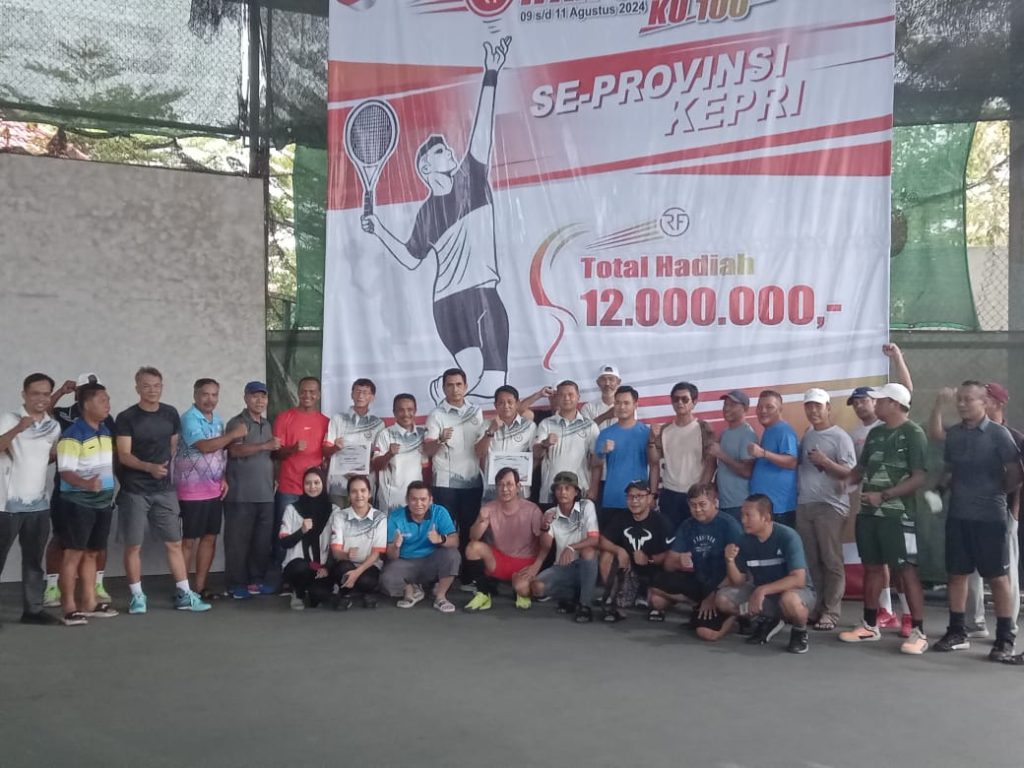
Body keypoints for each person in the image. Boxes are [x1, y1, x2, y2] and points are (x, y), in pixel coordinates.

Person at [361, 37, 513, 402]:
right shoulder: (426, 213)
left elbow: (482, 131)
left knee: (489, 388)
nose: (452, 153)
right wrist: (379, 229)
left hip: (483, 294)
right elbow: (411, 258)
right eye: (442, 151)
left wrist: (491, 74)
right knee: (481, 388)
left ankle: (438, 395)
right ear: (426, 168)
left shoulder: (471, 179)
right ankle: (443, 401)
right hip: (449, 306)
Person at [930, 381, 1022, 661]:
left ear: (984, 403)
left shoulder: (999, 434)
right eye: (959, 399)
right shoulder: (955, 435)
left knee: (997, 578)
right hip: (958, 516)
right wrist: (939, 490)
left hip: (990, 518)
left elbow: (1016, 472)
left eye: (968, 399)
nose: (961, 404)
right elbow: (950, 468)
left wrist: (996, 493)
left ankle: (1005, 639)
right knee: (957, 574)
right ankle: (957, 632)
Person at [838, 383, 929, 654]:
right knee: (872, 568)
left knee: (906, 570)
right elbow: (861, 468)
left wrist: (885, 495)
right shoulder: (875, 433)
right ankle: (869, 625)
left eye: (880, 401)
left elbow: (919, 477)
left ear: (895, 404)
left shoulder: (914, 433)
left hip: (898, 516)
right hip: (868, 514)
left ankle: (919, 632)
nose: (875, 405)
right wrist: (848, 479)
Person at [115, 367, 210, 613]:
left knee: (174, 543)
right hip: (135, 491)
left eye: (156, 385)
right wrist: (149, 467)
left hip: (165, 490)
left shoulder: (170, 413)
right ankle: (137, 596)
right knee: (133, 546)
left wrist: (163, 471)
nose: (152, 390)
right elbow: (123, 455)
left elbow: (172, 447)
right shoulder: (126, 417)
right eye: (146, 386)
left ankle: (185, 594)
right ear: (137, 388)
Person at [846, 343, 915, 635]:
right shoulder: (858, 433)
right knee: (875, 563)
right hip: (868, 504)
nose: (861, 405)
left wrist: (897, 357)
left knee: (901, 565)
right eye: (856, 402)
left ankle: (910, 616)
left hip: (896, 507)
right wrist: (846, 482)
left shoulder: (900, 426)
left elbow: (906, 391)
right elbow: (857, 471)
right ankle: (883, 613)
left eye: (866, 400)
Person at [44, 373, 114, 608]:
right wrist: (86, 484)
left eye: (107, 399)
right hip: (77, 503)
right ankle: (69, 607)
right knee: (72, 552)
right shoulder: (71, 435)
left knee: (92, 552)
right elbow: (65, 472)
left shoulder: (105, 430)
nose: (108, 404)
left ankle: (90, 603)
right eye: (102, 400)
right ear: (85, 402)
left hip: (102, 502)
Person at [174, 378, 247, 601]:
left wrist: (223, 477)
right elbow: (206, 447)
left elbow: (220, 453)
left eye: (214, 395)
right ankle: (183, 590)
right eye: (205, 394)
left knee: (209, 538)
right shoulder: (189, 418)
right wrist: (233, 434)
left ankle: (200, 587)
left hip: (214, 490)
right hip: (191, 491)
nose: (210, 399)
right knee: (189, 541)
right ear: (195, 395)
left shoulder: (217, 420)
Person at [0, 373, 63, 625]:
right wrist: (19, 428)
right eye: (35, 393)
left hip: (39, 505)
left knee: (34, 560)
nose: (41, 398)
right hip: (6, 505)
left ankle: (33, 610)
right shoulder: (8, 419)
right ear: (24, 395)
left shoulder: (53, 426)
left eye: (46, 394)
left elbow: (46, 457)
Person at [717, 494, 815, 654]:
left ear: (766, 517)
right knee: (723, 599)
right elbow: (738, 581)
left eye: (749, 515)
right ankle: (768, 620)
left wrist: (762, 590)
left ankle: (799, 631)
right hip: (765, 596)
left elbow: (799, 579)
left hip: (796, 593)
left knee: (789, 600)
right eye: (742, 515)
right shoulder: (743, 540)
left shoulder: (788, 536)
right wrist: (729, 560)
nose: (743, 520)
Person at [795, 388, 857, 631]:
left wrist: (826, 462)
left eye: (818, 406)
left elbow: (852, 473)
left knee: (831, 560)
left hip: (831, 506)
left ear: (828, 408)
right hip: (805, 504)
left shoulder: (840, 437)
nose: (813, 411)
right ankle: (818, 607)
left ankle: (831, 612)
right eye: (809, 406)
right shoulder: (808, 434)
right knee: (812, 561)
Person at [648, 483, 743, 639]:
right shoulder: (687, 525)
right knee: (655, 593)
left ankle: (733, 616)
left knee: (706, 633)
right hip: (699, 582)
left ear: (714, 502)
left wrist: (712, 596)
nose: (697, 509)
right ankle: (698, 605)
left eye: (702, 504)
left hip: (722, 586)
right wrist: (679, 561)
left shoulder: (730, 526)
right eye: (693, 505)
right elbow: (668, 565)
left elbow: (739, 573)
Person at [424, 368, 485, 576]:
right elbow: (428, 450)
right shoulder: (436, 415)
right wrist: (440, 439)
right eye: (450, 385)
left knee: (469, 530)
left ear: (466, 386)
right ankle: (444, 575)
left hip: (472, 481)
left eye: (459, 384)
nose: (455, 389)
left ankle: (467, 576)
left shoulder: (476, 411)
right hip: (445, 484)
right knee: (445, 531)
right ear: (443, 388)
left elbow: (482, 447)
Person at [463, 467, 549, 612]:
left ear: (518, 487)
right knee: (472, 548)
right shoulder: (489, 507)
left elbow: (544, 543)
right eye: (500, 485)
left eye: (509, 484)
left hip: (525, 561)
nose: (504, 489)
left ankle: (520, 591)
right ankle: (483, 593)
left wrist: (537, 565)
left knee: (521, 588)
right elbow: (473, 537)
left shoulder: (532, 509)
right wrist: (481, 521)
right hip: (500, 559)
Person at [223, 381, 279, 599]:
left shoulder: (267, 424)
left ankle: (256, 580)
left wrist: (275, 477)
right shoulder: (237, 423)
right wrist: (265, 445)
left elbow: (271, 457)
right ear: (246, 398)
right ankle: (235, 584)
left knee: (261, 543)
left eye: (263, 397)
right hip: (240, 495)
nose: (259, 401)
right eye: (255, 396)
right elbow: (234, 451)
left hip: (265, 495)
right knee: (237, 543)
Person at [272, 376, 330, 569]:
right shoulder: (284, 418)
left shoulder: (326, 422)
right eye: (304, 391)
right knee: (285, 534)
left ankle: (312, 573)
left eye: (312, 392)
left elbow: (328, 453)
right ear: (298, 392)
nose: (307, 395)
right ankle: (282, 574)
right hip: (289, 487)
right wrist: (293, 449)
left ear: (319, 395)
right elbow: (275, 453)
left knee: (314, 534)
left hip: (315, 491)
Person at [530, 472, 600, 623]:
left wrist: (571, 547)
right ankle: (573, 598)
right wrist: (544, 526)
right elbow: (545, 546)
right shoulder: (551, 513)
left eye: (567, 488)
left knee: (588, 551)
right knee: (537, 587)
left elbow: (594, 539)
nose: (563, 492)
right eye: (559, 488)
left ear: (576, 492)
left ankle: (585, 606)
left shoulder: (586, 506)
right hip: (563, 566)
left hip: (584, 565)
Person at [381, 481, 461, 614]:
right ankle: (410, 590)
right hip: (406, 562)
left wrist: (441, 539)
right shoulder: (395, 517)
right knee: (386, 578)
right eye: (414, 499)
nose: (418, 504)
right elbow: (391, 556)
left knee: (452, 554)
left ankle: (440, 597)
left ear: (430, 500)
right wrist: (395, 546)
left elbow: (455, 541)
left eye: (423, 499)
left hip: (431, 561)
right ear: (407, 500)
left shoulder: (439, 512)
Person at [598, 479, 671, 622]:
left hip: (654, 573)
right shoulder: (621, 517)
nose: (634, 501)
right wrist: (619, 550)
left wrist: (649, 559)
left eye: (640, 496)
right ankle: (616, 600)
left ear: (649, 498)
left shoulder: (662, 522)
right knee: (607, 554)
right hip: (630, 570)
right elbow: (603, 541)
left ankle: (652, 602)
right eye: (630, 496)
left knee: (657, 602)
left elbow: (671, 555)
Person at [647, 381, 715, 531]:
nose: (680, 403)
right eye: (675, 399)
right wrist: (652, 439)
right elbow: (654, 462)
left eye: (685, 399)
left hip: (695, 494)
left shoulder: (704, 428)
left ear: (694, 402)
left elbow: (711, 464)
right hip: (669, 494)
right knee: (670, 538)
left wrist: (701, 492)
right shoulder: (664, 430)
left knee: (697, 537)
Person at [593, 386, 655, 528]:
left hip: (638, 501)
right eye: (618, 403)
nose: (621, 407)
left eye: (626, 403)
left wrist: (652, 494)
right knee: (608, 541)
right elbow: (595, 464)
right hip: (612, 499)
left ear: (635, 405)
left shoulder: (646, 433)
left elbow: (654, 464)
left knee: (638, 541)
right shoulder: (605, 433)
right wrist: (602, 451)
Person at [533, 380, 600, 508]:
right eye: (562, 395)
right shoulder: (546, 424)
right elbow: (535, 455)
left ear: (578, 397)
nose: (566, 398)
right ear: (557, 398)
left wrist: (594, 489)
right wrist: (545, 444)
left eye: (570, 394)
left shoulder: (590, 426)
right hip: (551, 492)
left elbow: (596, 463)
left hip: (580, 491)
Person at [278, 467, 336, 610]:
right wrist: (301, 531)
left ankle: (311, 590)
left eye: (316, 482)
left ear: (323, 484)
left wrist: (327, 567)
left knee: (319, 596)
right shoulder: (292, 509)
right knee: (301, 567)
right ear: (302, 485)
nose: (312, 487)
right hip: (297, 566)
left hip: (320, 568)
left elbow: (337, 545)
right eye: (308, 483)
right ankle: (297, 593)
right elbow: (284, 543)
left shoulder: (334, 511)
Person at [328, 475, 388, 609]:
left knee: (366, 580)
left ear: (369, 493)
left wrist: (357, 572)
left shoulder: (380, 518)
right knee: (343, 570)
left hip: (369, 565)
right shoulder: (340, 516)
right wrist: (346, 555)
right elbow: (336, 552)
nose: (359, 495)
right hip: (346, 564)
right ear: (349, 495)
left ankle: (350, 590)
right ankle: (347, 594)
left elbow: (376, 554)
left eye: (363, 490)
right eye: (354, 491)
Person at [324, 378, 385, 508]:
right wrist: (335, 448)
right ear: (351, 394)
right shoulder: (337, 419)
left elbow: (377, 458)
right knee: (337, 519)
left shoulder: (378, 424)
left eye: (365, 392)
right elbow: (325, 450)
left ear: (372, 397)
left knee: (362, 520)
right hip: (339, 484)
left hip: (364, 487)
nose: (361, 395)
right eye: (357, 391)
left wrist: (362, 470)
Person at [474, 385, 536, 500]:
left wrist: (525, 473)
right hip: (492, 489)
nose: (506, 406)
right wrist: (491, 431)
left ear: (517, 403)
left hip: (519, 489)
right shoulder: (486, 425)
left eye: (510, 402)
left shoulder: (529, 426)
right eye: (501, 403)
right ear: (495, 405)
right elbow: (479, 453)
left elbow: (536, 456)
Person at [747, 390, 798, 527]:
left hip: (779, 509)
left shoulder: (784, 430)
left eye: (769, 407)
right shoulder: (769, 431)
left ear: (780, 409)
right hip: (767, 508)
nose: (763, 411)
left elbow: (792, 462)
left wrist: (763, 453)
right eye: (760, 407)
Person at [371, 394, 428, 515]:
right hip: (391, 500)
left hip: (416, 498)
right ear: (394, 412)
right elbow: (376, 465)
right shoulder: (385, 434)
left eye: (410, 409)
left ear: (415, 411)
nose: (406, 414)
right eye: (401, 410)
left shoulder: (422, 433)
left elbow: (425, 466)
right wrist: (389, 455)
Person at [709, 390, 755, 521]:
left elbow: (747, 471)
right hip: (724, 503)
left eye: (733, 405)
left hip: (740, 504)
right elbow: (722, 468)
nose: (727, 408)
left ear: (745, 408)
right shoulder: (725, 433)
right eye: (725, 404)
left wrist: (721, 454)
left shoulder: (747, 434)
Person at [580, 364, 620, 429]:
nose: (607, 383)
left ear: (618, 382)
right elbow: (584, 431)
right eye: (603, 379)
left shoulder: (626, 406)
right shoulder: (588, 408)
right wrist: (605, 416)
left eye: (611, 379)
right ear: (598, 382)